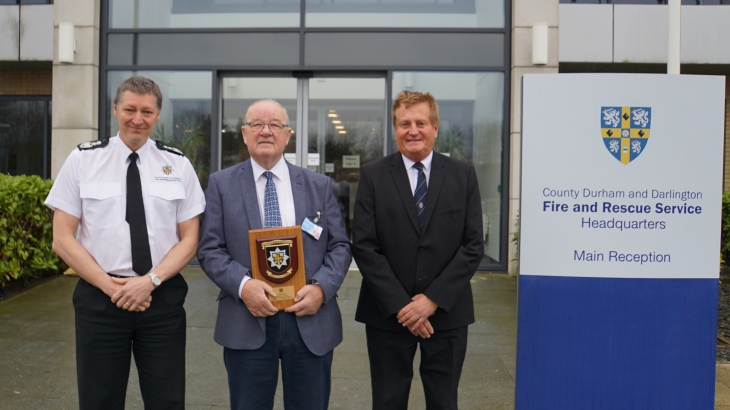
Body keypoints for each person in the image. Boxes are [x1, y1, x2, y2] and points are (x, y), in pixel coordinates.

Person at [45, 76, 206, 409]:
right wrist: (112, 287)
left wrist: (149, 282)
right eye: (130, 109)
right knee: (98, 401)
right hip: (100, 298)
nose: (138, 118)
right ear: (115, 109)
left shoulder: (178, 165)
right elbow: (62, 239)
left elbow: (190, 239)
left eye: (147, 111)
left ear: (158, 115)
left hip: (160, 299)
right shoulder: (83, 160)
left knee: (167, 400)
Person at [197, 99, 352, 410]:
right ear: (244, 133)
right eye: (257, 124)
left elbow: (340, 246)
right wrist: (244, 286)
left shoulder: (318, 185)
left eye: (275, 125)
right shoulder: (221, 184)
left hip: (310, 320)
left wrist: (321, 289)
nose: (265, 131)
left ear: (288, 134)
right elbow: (209, 249)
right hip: (247, 319)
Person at [352, 90, 484, 409]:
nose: (413, 130)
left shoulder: (462, 175)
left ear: (435, 127)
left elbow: (473, 245)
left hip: (447, 312)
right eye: (404, 123)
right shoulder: (373, 176)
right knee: (388, 400)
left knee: (443, 400)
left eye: (421, 122)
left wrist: (431, 301)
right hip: (387, 314)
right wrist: (403, 306)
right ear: (395, 129)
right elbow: (365, 246)